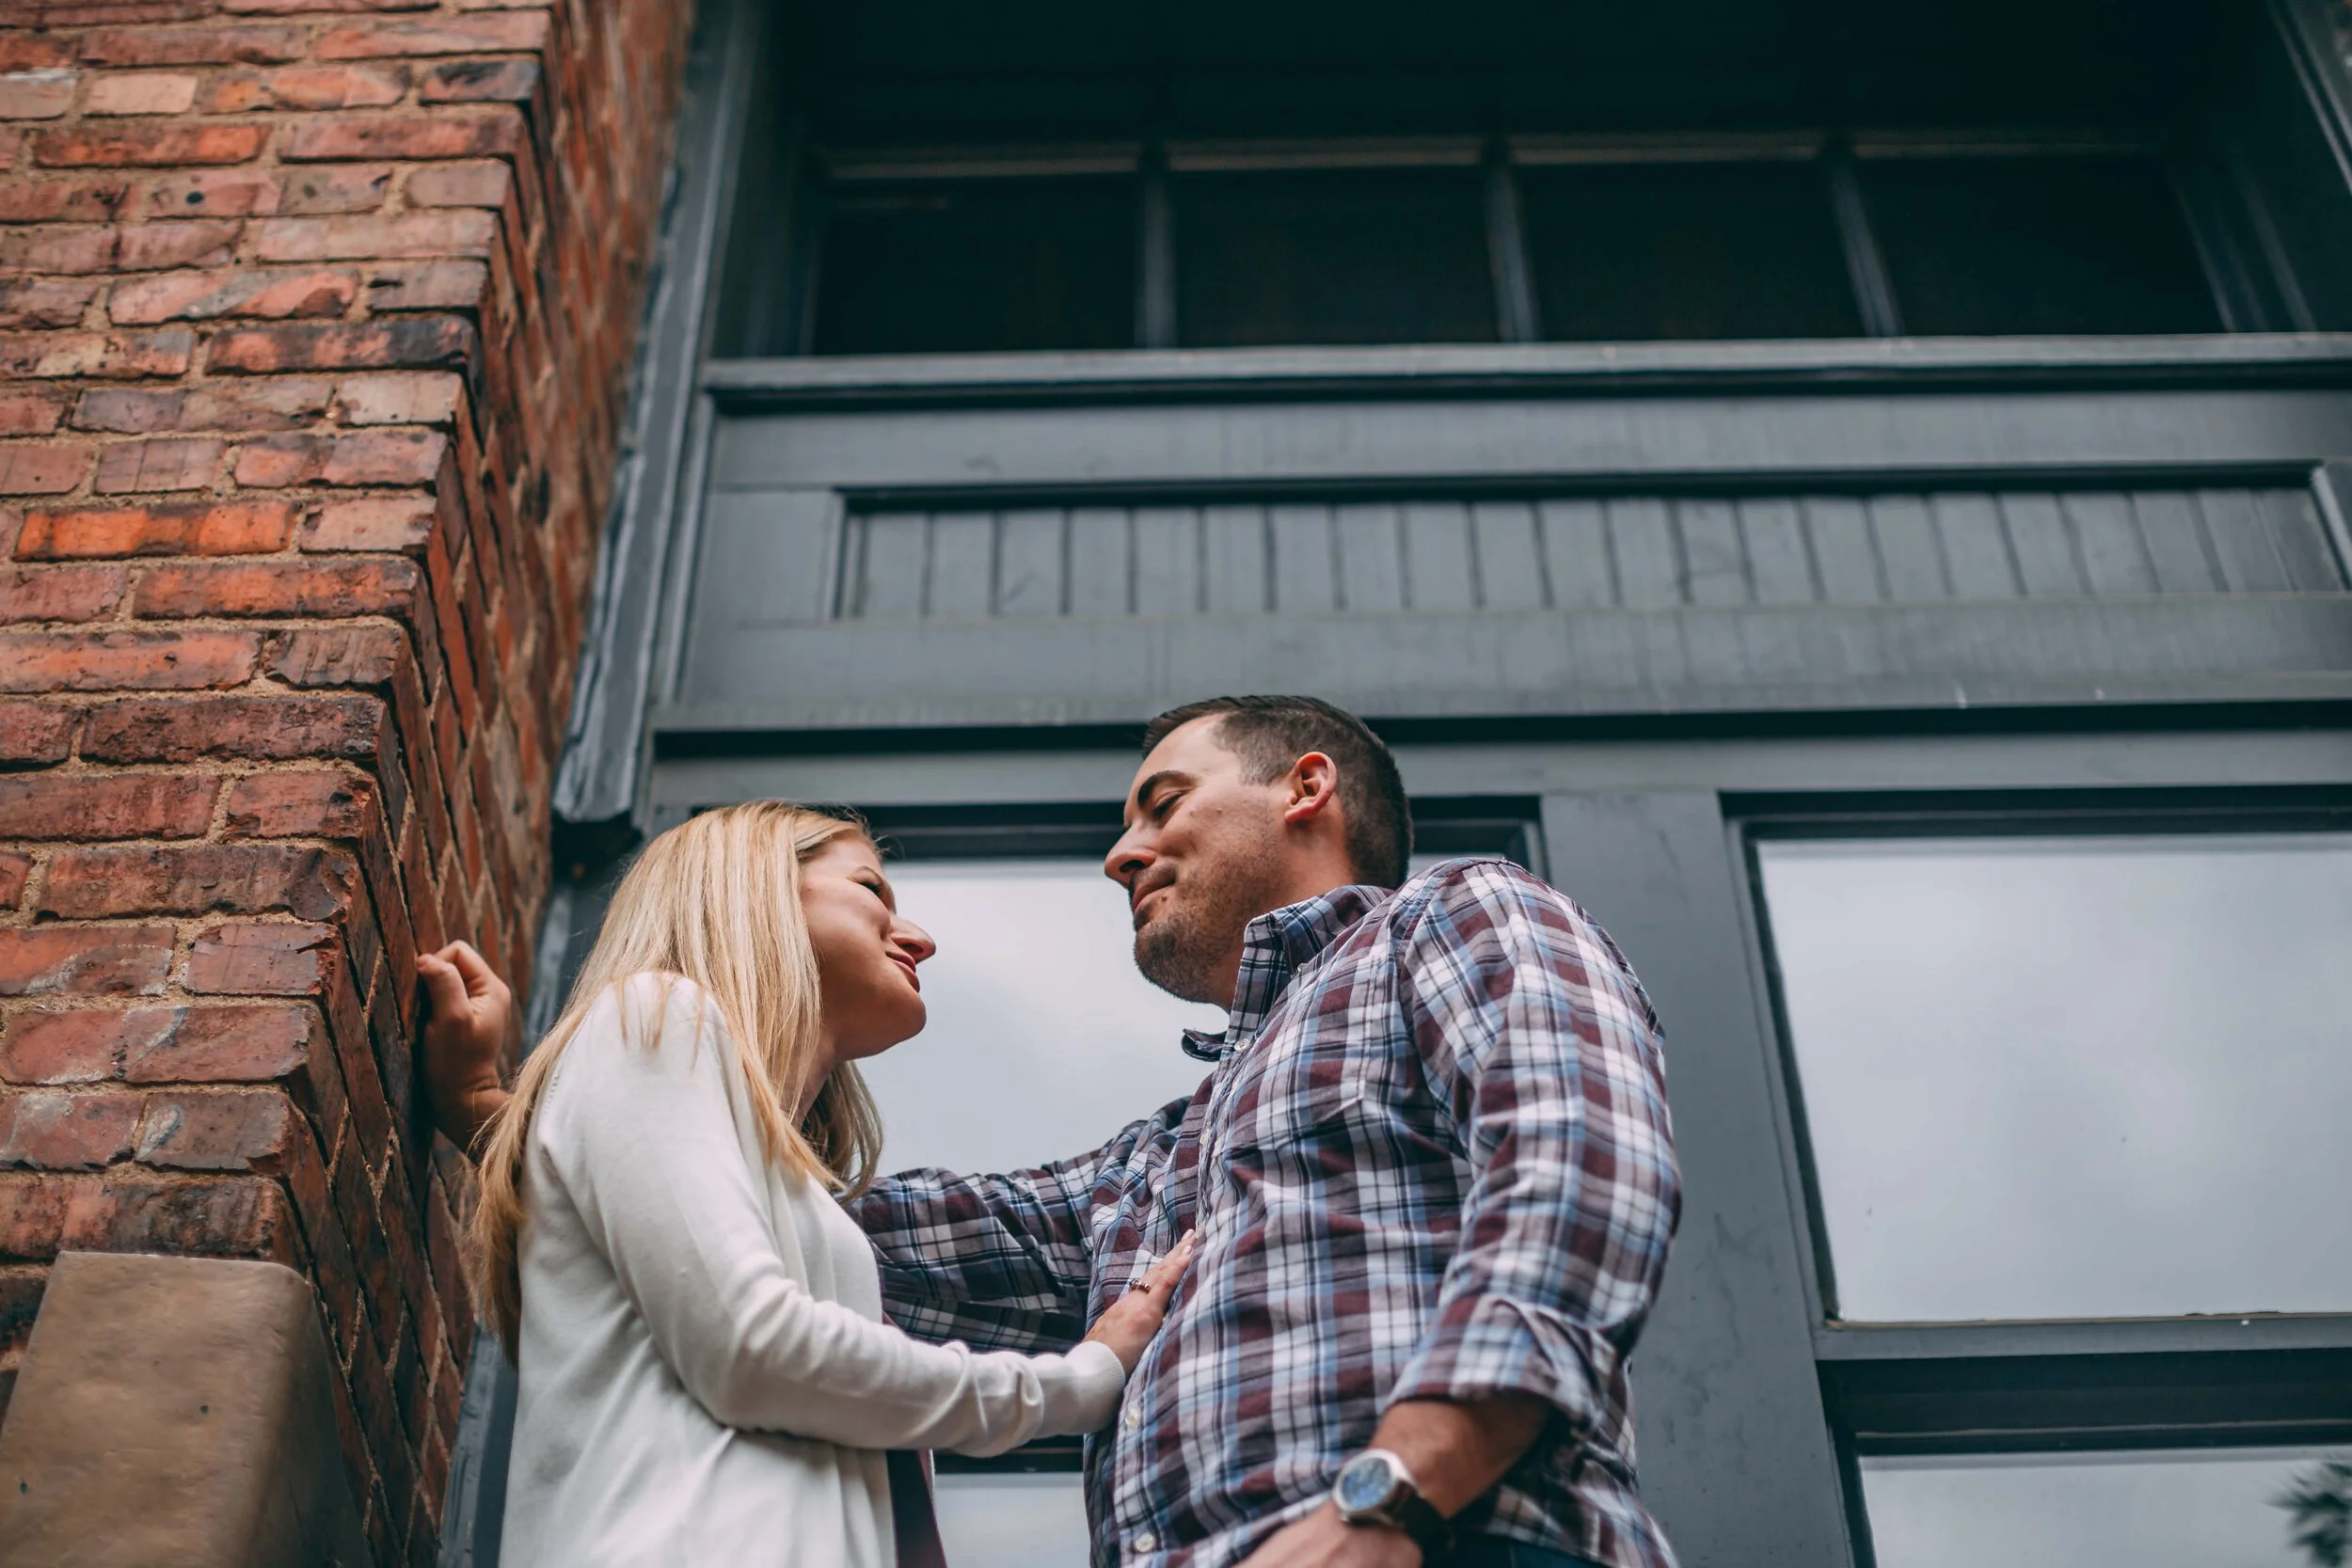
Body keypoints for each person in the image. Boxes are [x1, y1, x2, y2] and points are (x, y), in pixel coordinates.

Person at [425, 695, 1680, 1568]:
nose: (1121, 851)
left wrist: (1394, 1491)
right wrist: (507, 1115)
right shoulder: (1155, 1164)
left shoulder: (1456, 921)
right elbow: (761, 1232)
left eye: (1164, 800)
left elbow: (1577, 1176)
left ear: (1307, 788)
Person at [428, 800, 1194, 1568]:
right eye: (871, 889)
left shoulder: (801, 1209)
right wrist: (1082, 1381)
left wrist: (486, 1113)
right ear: (755, 889)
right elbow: (753, 1345)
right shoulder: (658, 1015)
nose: (920, 938)